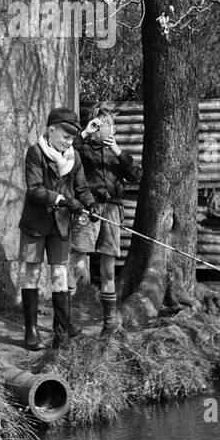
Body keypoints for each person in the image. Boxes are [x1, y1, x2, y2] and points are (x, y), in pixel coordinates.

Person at [18, 106, 97, 350]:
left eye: (73, 138)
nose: (69, 141)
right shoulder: (35, 153)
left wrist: (90, 204)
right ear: (51, 131)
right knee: (32, 272)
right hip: (36, 222)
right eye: (65, 136)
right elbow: (35, 189)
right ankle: (31, 331)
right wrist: (62, 200)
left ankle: (61, 329)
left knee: (59, 273)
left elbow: (81, 188)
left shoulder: (74, 158)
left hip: (61, 225)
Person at [71, 103, 141, 335]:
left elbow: (135, 175)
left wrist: (119, 152)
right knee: (79, 262)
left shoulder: (117, 154)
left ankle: (109, 321)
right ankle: (68, 318)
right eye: (102, 125)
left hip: (112, 210)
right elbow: (67, 148)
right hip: (89, 209)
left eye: (111, 125)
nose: (108, 130)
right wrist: (86, 131)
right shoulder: (83, 149)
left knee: (108, 268)